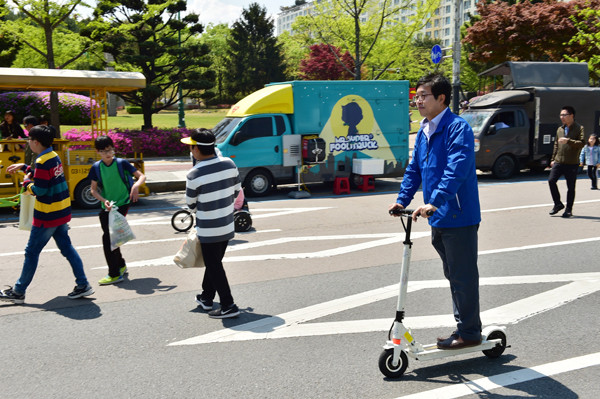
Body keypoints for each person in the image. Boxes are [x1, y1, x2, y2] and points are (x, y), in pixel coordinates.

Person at [389, 73, 482, 350]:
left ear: (441, 98)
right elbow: (414, 169)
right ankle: (465, 327)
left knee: (463, 276)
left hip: (458, 215)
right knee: (454, 275)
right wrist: (402, 199)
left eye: (423, 96)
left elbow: (457, 169)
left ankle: (469, 333)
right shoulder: (424, 131)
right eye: (416, 96)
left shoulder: (457, 128)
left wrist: (436, 201)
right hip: (438, 216)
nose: (418, 101)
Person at [0, 126, 94, 304]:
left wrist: (27, 183)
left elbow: (40, 190)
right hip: (61, 211)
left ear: (36, 142)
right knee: (67, 249)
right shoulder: (53, 156)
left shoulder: (42, 160)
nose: (28, 143)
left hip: (47, 215)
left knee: (31, 252)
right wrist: (26, 167)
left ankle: (19, 291)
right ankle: (83, 284)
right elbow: (47, 177)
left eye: (29, 140)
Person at [181, 128, 242, 319]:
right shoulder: (229, 164)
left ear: (197, 149)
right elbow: (236, 191)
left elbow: (190, 205)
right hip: (226, 223)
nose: (191, 151)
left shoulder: (194, 174)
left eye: (191, 147)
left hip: (208, 227)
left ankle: (228, 305)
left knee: (214, 265)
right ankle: (207, 298)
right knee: (214, 262)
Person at [88, 135, 146, 285]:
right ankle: (120, 265)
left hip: (122, 203)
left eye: (110, 149)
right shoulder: (96, 167)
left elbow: (141, 176)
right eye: (103, 151)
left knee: (108, 239)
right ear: (97, 152)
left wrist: (135, 185)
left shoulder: (122, 163)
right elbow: (93, 190)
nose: (108, 153)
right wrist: (104, 201)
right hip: (107, 205)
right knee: (111, 236)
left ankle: (114, 274)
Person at [548, 106, 585, 218]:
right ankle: (558, 204)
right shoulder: (560, 129)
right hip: (559, 161)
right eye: (561, 115)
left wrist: (568, 141)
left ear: (571, 116)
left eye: (564, 115)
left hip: (572, 162)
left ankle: (568, 210)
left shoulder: (579, 128)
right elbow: (556, 145)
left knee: (571, 187)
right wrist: (553, 159)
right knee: (551, 181)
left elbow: (582, 143)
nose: (562, 117)